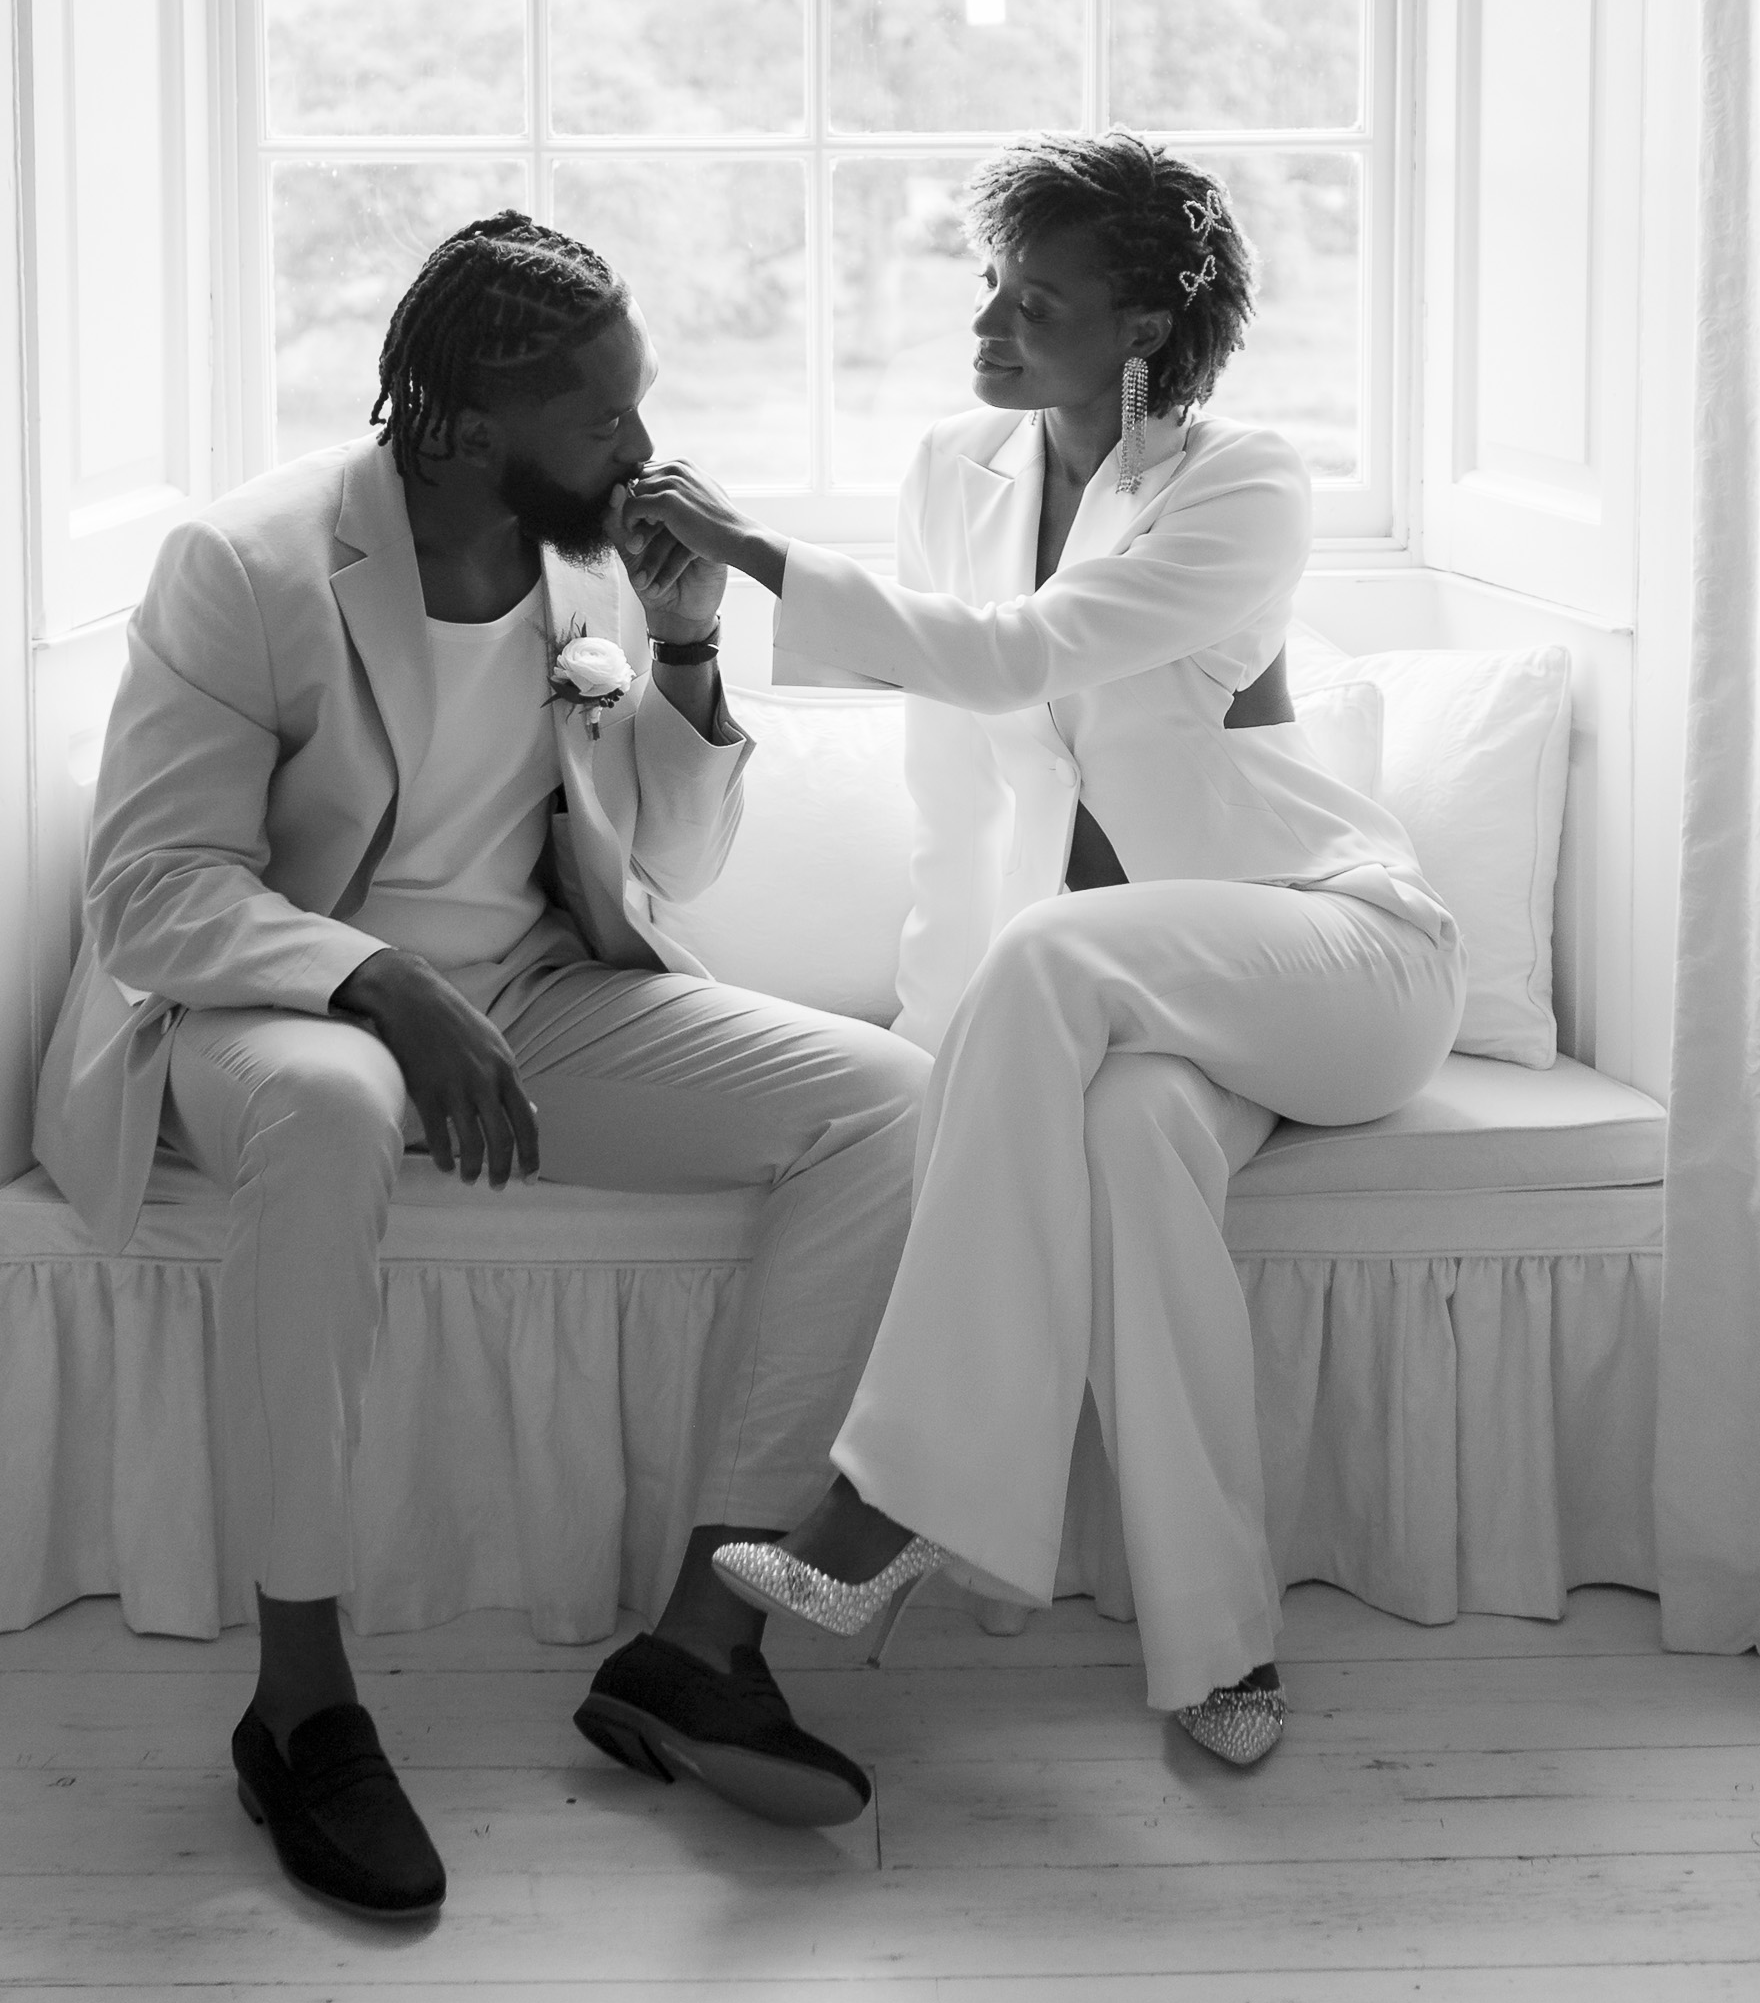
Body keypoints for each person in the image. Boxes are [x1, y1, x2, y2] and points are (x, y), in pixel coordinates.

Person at [32, 213, 929, 1916]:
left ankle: (698, 1643)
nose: (642, 450)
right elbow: (152, 891)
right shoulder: (248, 564)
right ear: (458, 426)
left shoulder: (586, 556)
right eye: (602, 419)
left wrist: (681, 648)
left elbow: (672, 856)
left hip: (532, 994)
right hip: (272, 1004)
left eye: (637, 404)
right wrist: (375, 981)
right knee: (329, 1098)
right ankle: (299, 1702)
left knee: (883, 1098)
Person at [621, 132, 1465, 1772]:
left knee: (1055, 957)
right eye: (992, 283)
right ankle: (1226, 1649)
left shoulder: (1241, 482)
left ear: (1146, 326)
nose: (993, 322)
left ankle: (877, 1516)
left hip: (1337, 953)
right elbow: (966, 768)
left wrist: (757, 548)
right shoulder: (962, 467)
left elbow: (1017, 657)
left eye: (1042, 299)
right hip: (1135, 1021)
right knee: (1133, 1145)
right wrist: (952, 1044)